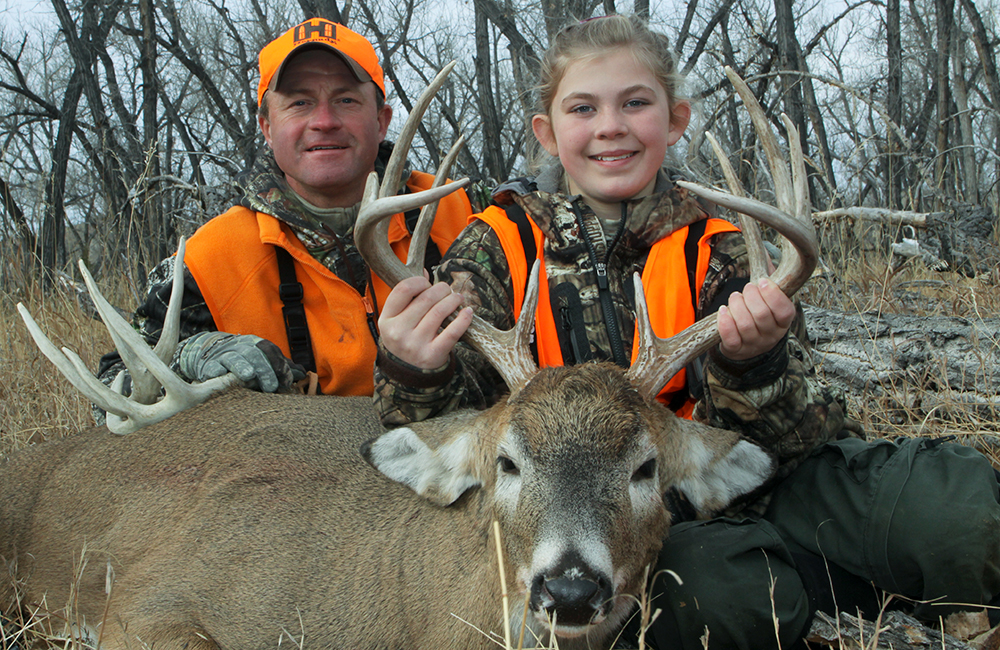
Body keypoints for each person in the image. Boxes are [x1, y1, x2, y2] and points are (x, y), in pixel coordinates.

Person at [371, 14, 1000, 650]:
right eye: (583, 107)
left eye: (635, 103)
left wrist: (753, 368)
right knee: (719, 596)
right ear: (548, 132)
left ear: (675, 120)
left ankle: (823, 571)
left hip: (748, 475)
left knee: (961, 513)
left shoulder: (730, 253)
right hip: (617, 513)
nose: (610, 126)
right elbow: (463, 431)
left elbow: (795, 438)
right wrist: (415, 366)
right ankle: (812, 583)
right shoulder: (494, 250)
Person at [95, 18, 472, 413]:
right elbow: (113, 385)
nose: (324, 121)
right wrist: (192, 356)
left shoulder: (465, 211)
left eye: (345, 99)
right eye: (299, 102)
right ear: (267, 127)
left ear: (381, 121)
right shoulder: (208, 260)